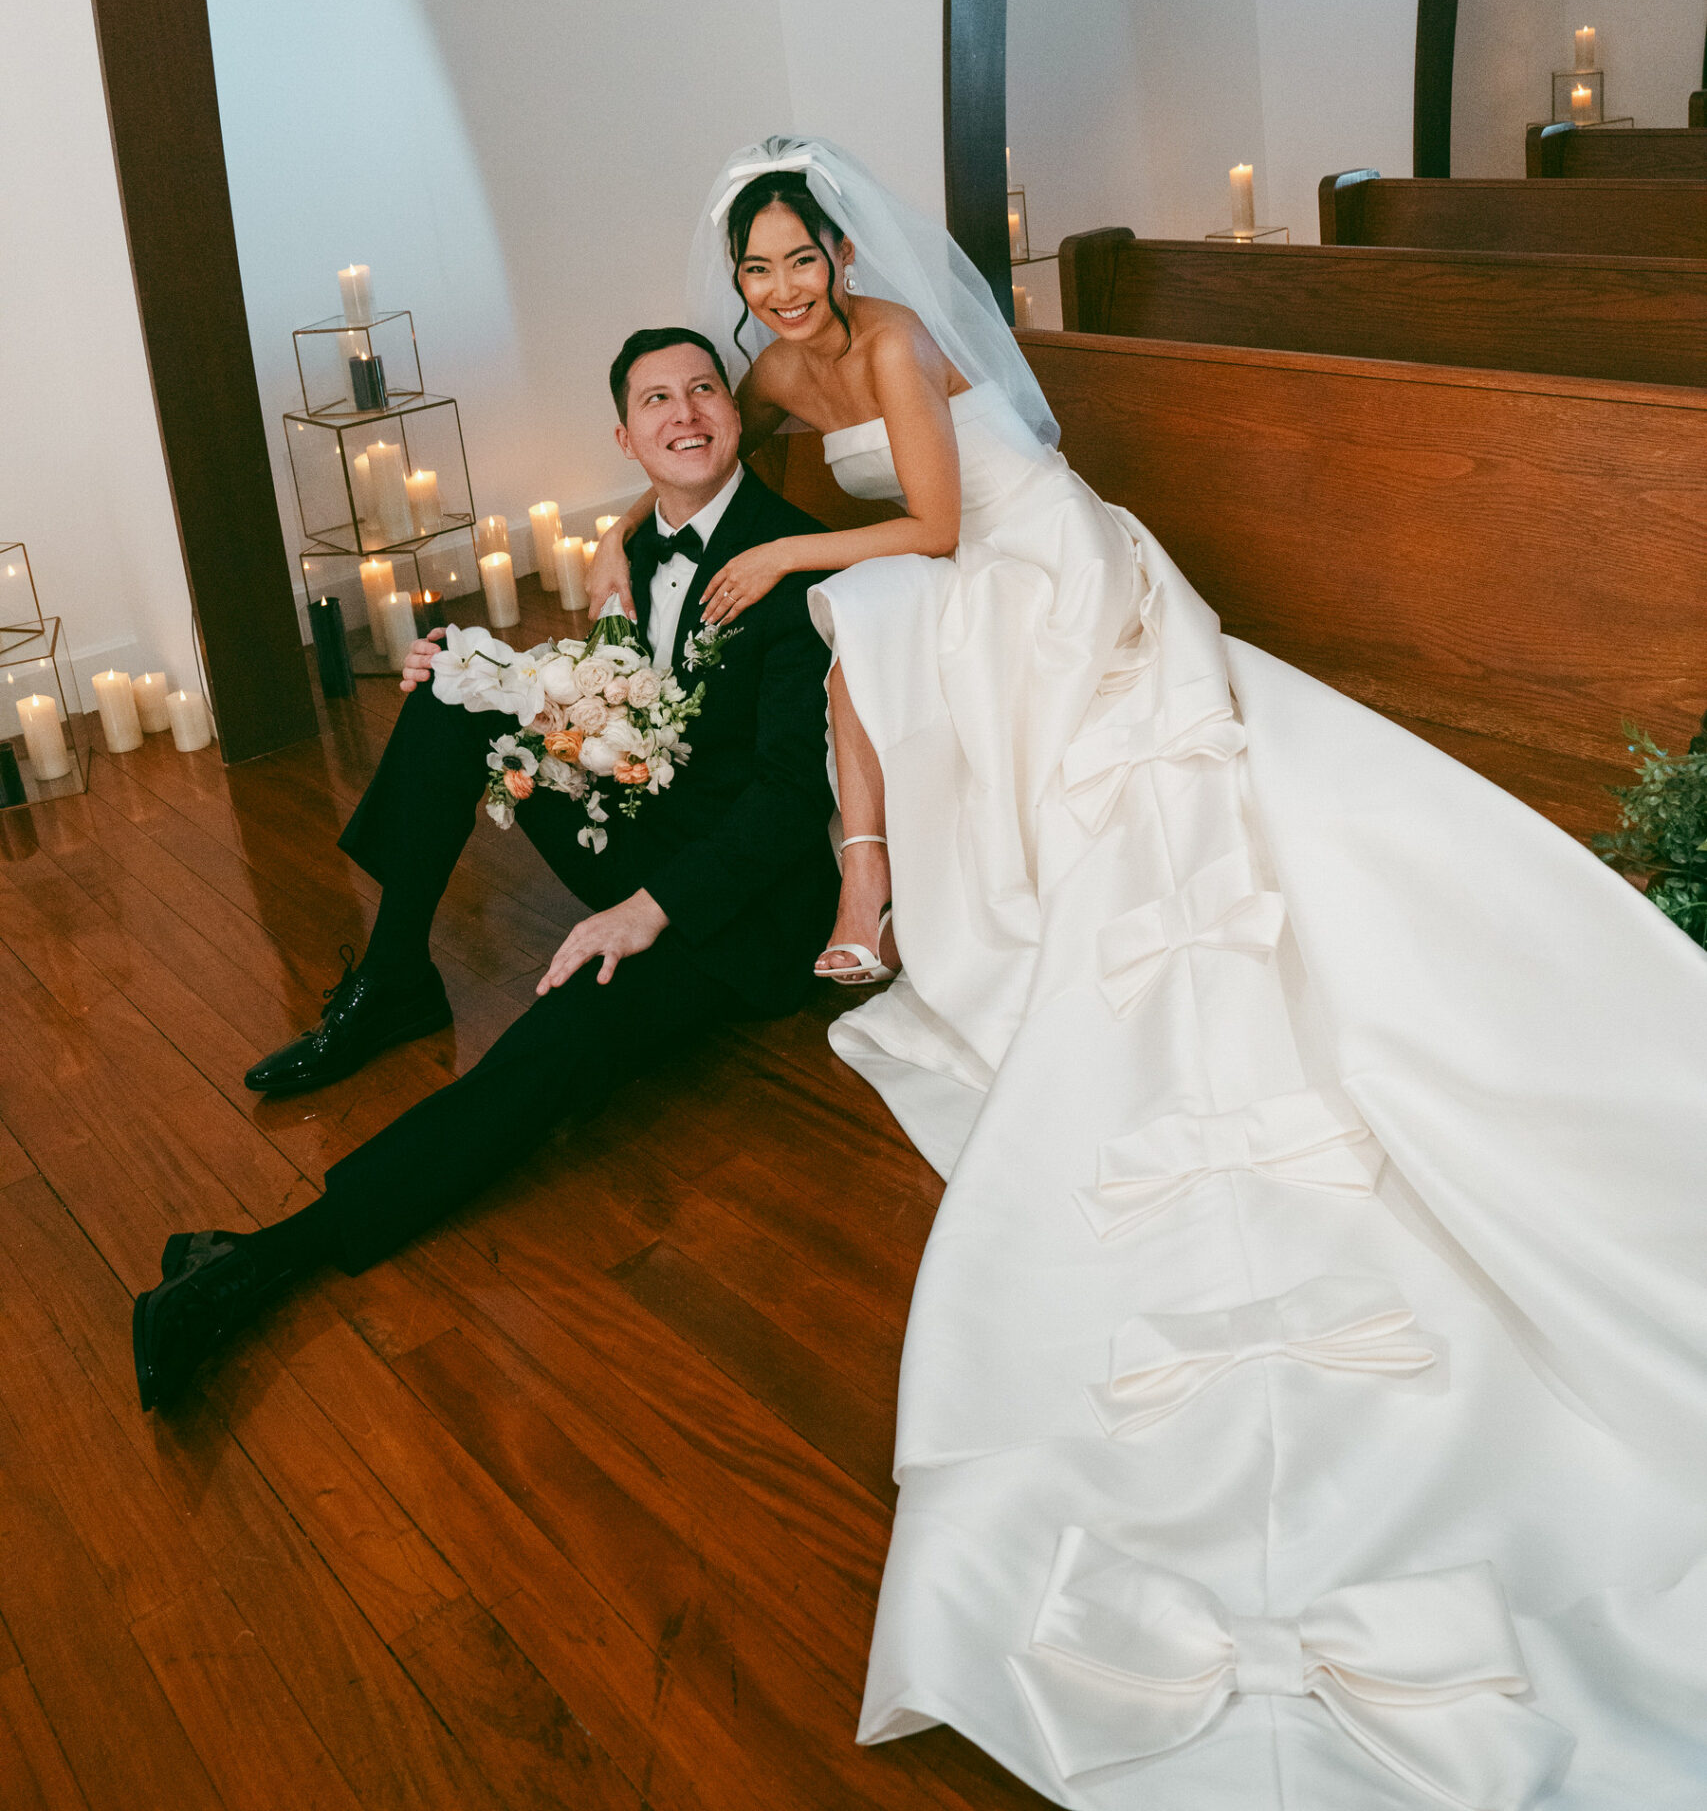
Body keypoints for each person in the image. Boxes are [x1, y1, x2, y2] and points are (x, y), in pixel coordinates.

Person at [629, 135, 1707, 1807]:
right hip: (949, 581)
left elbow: (927, 514)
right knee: (874, 629)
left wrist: (771, 560)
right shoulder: (768, 372)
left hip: (1038, 565)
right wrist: (699, 516)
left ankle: (897, 886)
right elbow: (763, 462)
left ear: (840, 252)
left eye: (799, 260)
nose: (780, 293)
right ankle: (877, 883)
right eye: (754, 270)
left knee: (882, 622)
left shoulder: (900, 339)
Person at [131, 327, 839, 1412]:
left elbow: (795, 802)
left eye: (705, 389)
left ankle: (276, 1254)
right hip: (651, 814)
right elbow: (616, 697)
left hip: (737, 904)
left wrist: (649, 910)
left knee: (569, 1024)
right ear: (625, 433)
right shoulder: (639, 541)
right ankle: (396, 974)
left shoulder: (792, 561)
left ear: (736, 416)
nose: (686, 411)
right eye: (658, 398)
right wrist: (470, 668)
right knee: (453, 679)